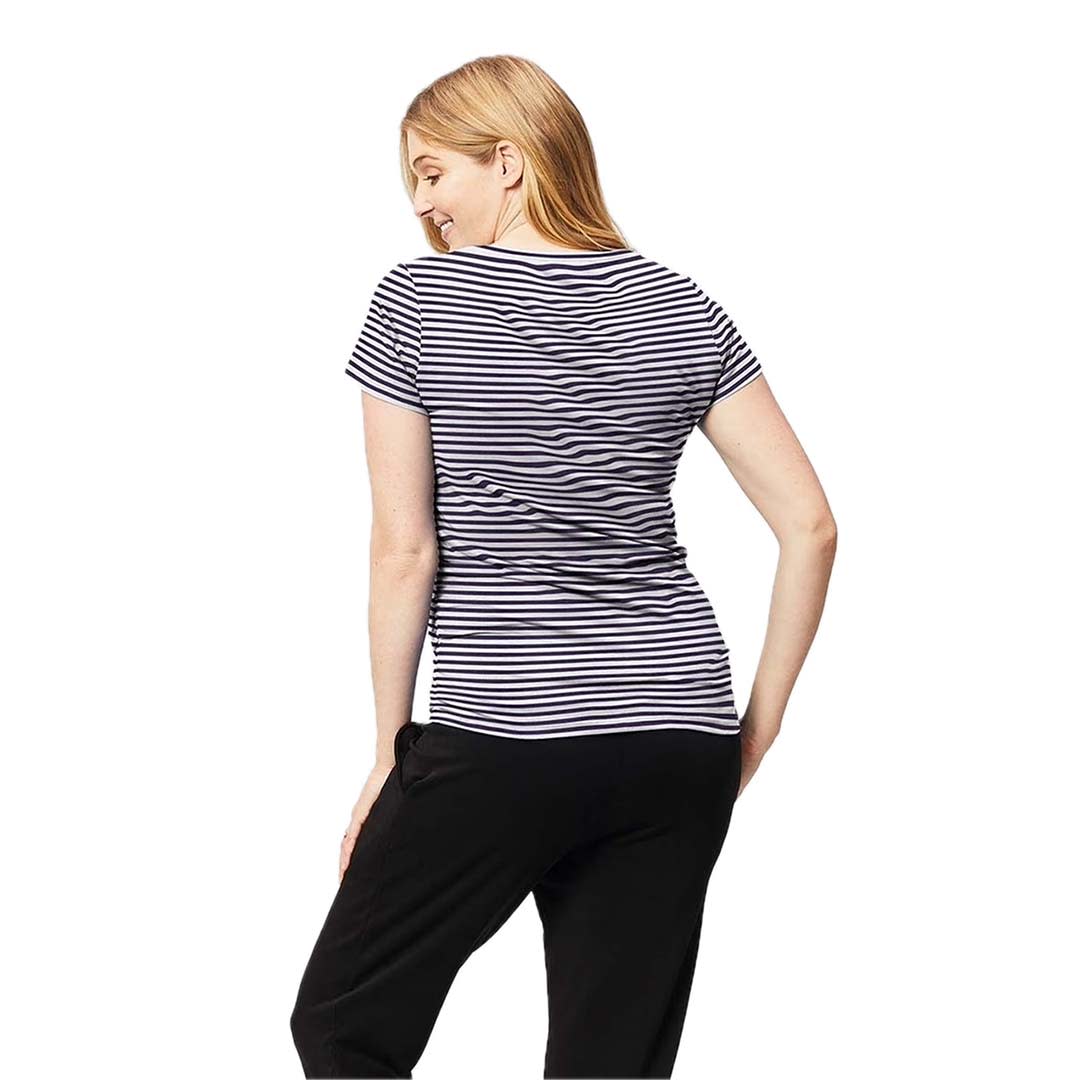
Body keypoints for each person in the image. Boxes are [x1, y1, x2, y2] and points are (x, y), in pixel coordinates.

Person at [290, 54, 837, 1079]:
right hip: (676, 733)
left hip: (507, 727)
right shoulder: (680, 304)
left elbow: (405, 550)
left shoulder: (417, 301)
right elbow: (809, 525)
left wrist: (391, 752)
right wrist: (752, 730)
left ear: (508, 161)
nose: (421, 204)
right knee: (611, 1062)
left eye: (432, 172)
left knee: (342, 1024)